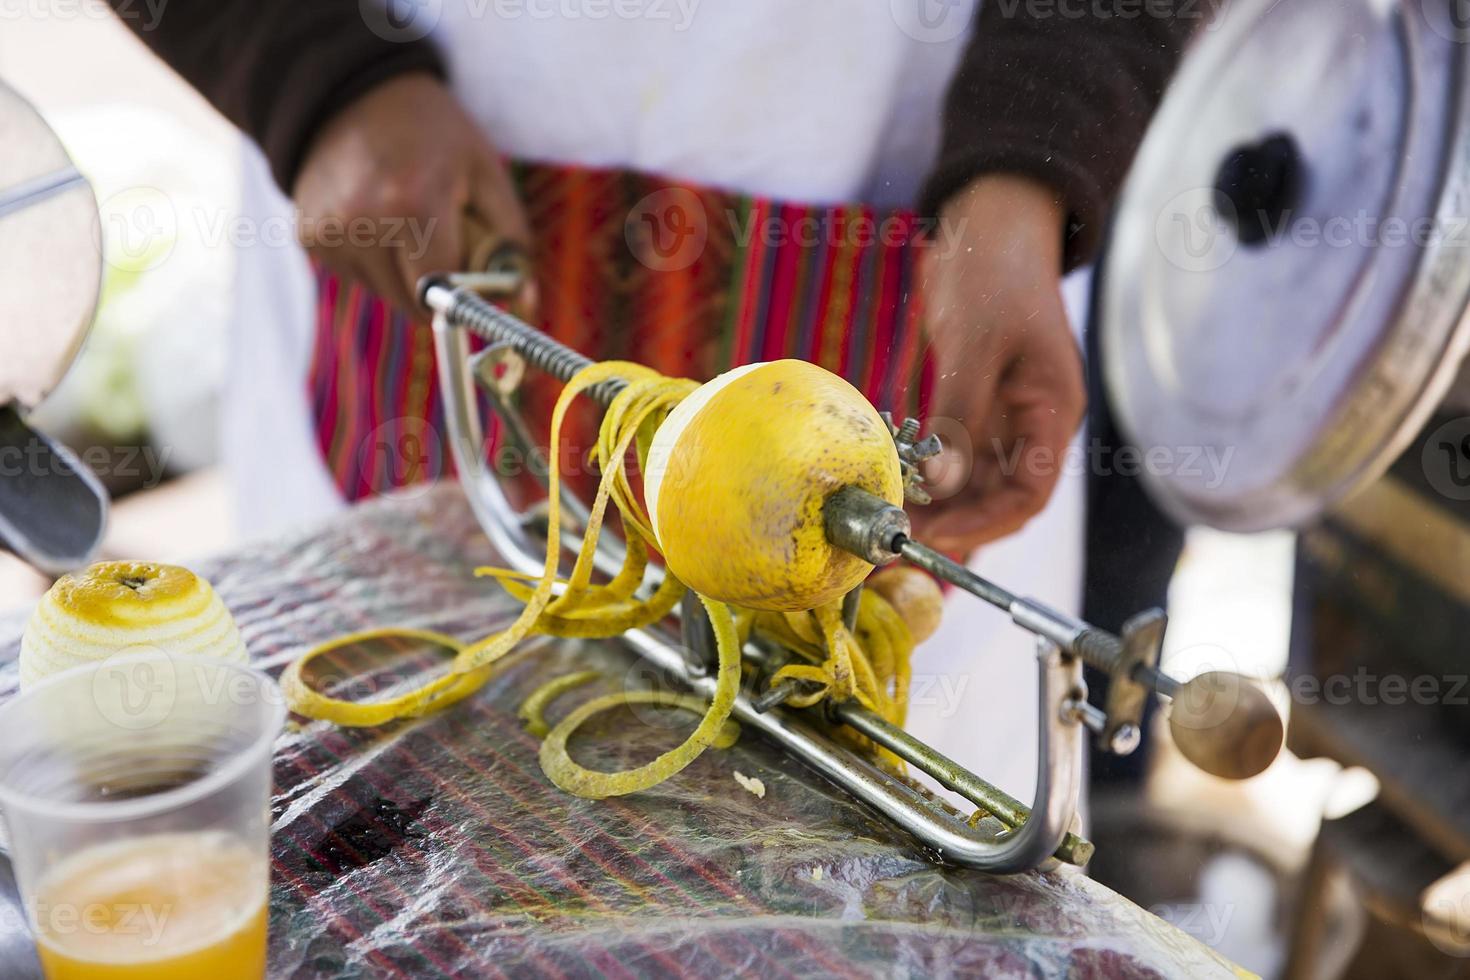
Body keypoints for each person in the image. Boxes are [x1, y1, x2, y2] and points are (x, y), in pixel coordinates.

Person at [106, 0, 1191, 788]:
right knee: (374, 829)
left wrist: (1036, 163)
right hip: (403, 201)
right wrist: (305, 70)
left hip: (918, 220)